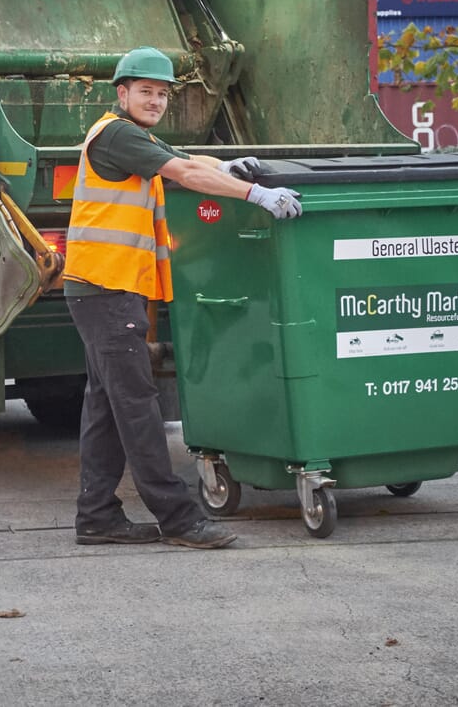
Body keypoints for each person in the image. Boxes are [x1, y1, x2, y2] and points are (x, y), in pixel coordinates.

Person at [64, 47, 303, 549]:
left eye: (162, 94)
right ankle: (179, 520)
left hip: (102, 288)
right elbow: (186, 175)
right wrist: (255, 195)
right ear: (122, 93)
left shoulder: (132, 135)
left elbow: (187, 162)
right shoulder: (116, 134)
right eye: (145, 91)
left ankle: (97, 515)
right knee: (137, 407)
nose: (154, 100)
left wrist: (225, 166)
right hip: (106, 289)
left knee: (108, 406)